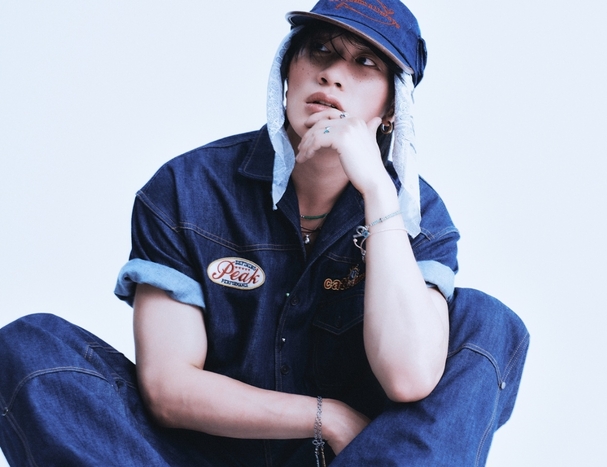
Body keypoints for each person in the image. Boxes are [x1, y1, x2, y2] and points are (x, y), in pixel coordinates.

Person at [0, 1, 529, 465]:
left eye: (365, 63)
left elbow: (409, 377)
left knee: (490, 325)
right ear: (288, 71)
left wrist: (377, 193)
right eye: (319, 51)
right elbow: (168, 388)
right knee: (29, 346)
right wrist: (326, 417)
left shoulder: (418, 215)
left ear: (392, 107)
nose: (333, 75)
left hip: (365, 460)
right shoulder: (186, 189)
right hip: (191, 458)